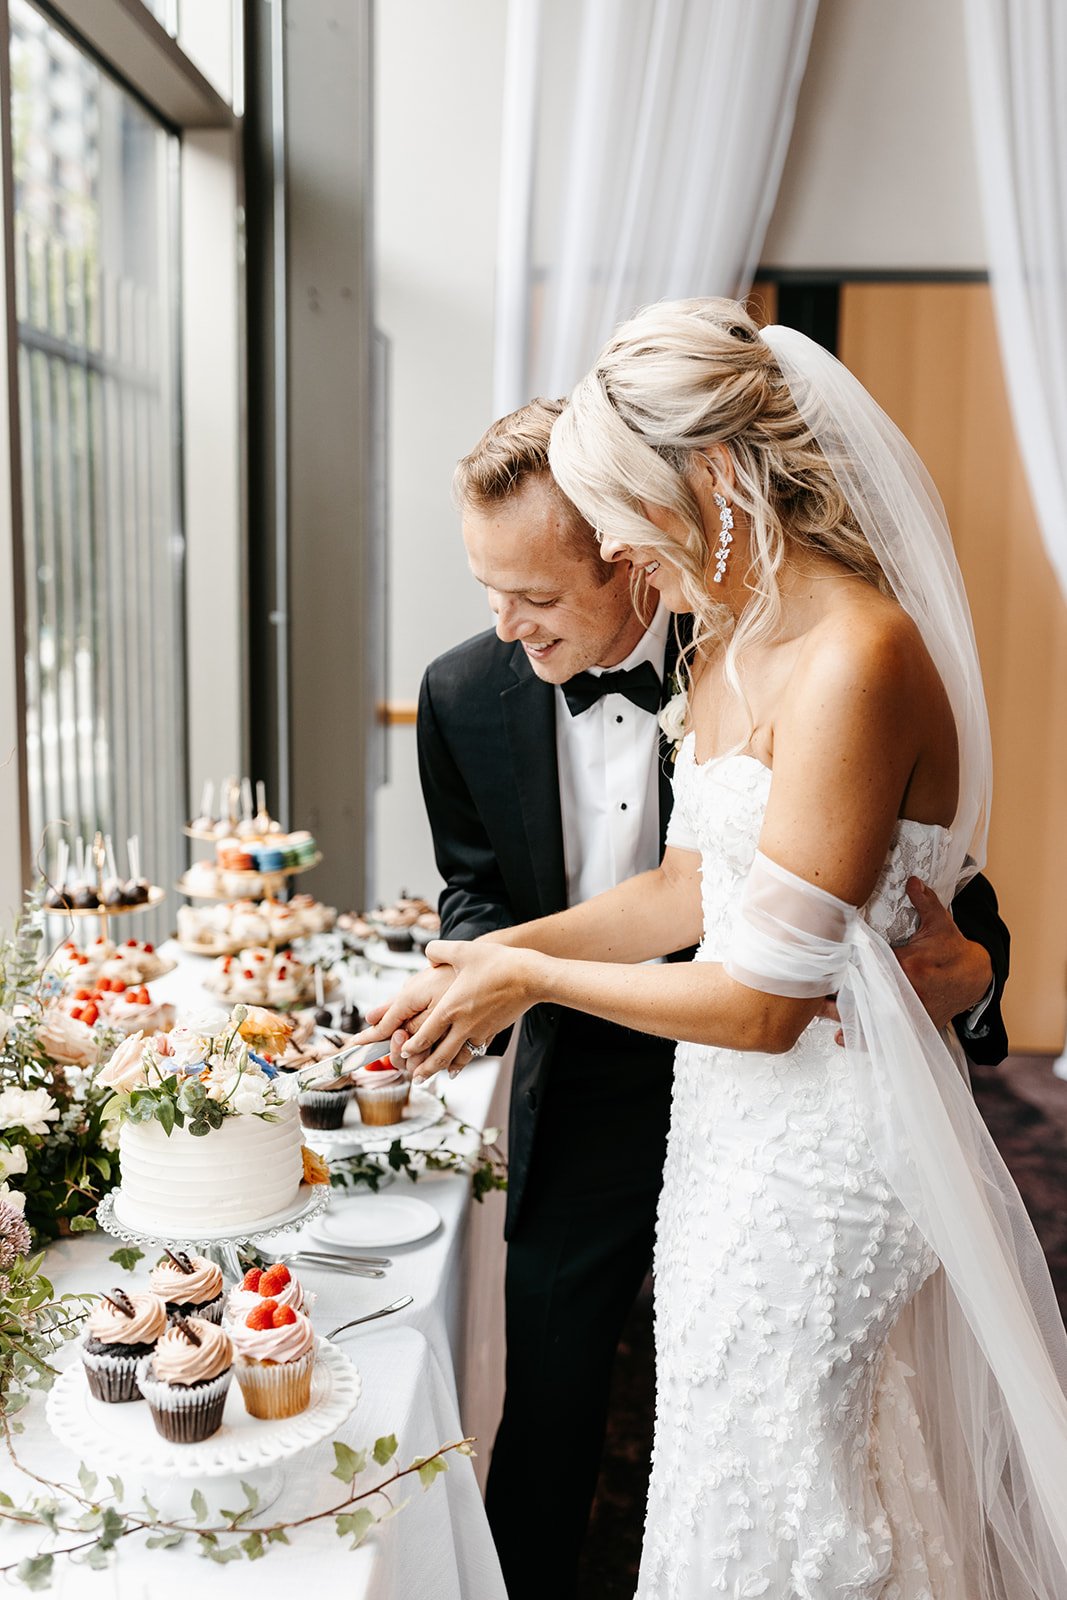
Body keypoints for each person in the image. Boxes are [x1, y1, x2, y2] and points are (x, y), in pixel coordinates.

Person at [361, 301, 1067, 1599]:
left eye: (622, 520)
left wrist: (529, 975)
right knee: (714, 1457)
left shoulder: (858, 654)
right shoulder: (741, 640)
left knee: (794, 1488)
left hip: (823, 1149)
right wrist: (491, 956)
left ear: (718, 486)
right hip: (724, 1138)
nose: (621, 552)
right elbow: (691, 886)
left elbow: (766, 1004)